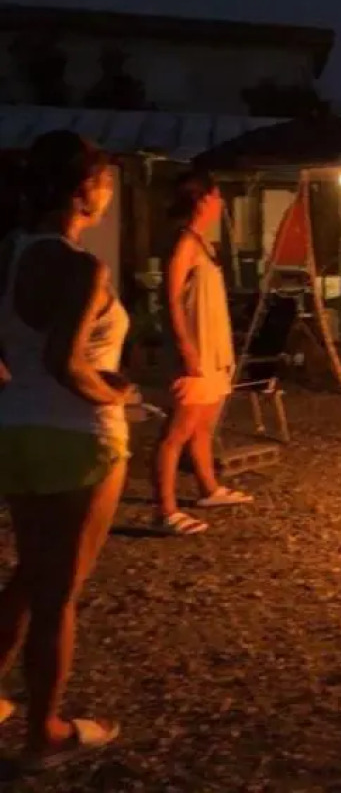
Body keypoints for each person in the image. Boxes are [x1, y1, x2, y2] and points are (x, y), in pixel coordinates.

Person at [0, 131, 128, 770]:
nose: (108, 193)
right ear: (84, 190)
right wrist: (115, 394)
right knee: (59, 593)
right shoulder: (81, 266)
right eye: (105, 182)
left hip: (16, 429)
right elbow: (66, 361)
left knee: (30, 573)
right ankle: (44, 732)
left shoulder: (11, 255)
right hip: (78, 438)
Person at [152, 170, 251, 537]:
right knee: (177, 430)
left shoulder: (203, 243)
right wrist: (185, 348)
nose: (221, 203)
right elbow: (171, 299)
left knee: (203, 426)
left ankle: (209, 488)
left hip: (213, 349)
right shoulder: (184, 243)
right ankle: (165, 509)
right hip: (195, 350)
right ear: (203, 200)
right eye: (217, 196)